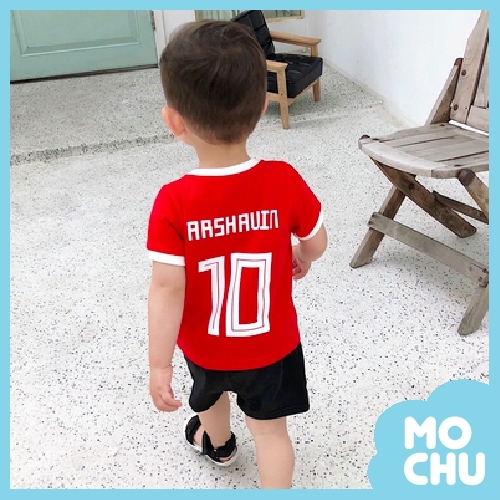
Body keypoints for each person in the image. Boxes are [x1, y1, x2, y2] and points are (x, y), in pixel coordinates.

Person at [146, 20, 328, 489]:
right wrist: (302, 255)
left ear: (174, 122)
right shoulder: (283, 180)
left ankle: (220, 444)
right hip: (271, 344)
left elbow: (167, 288)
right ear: (262, 106)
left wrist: (159, 363)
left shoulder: (173, 202)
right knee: (271, 434)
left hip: (206, 344)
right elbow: (317, 242)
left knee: (209, 395)